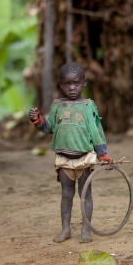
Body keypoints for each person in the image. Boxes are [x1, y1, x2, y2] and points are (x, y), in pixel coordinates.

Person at [29, 62, 114, 243]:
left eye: (76, 83)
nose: (72, 88)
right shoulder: (57, 105)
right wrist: (38, 120)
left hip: (84, 159)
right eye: (66, 84)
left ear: (84, 82)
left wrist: (102, 154)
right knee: (66, 194)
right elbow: (50, 127)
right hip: (63, 160)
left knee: (85, 195)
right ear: (60, 85)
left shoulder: (88, 106)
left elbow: (96, 131)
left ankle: (86, 230)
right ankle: (65, 229)